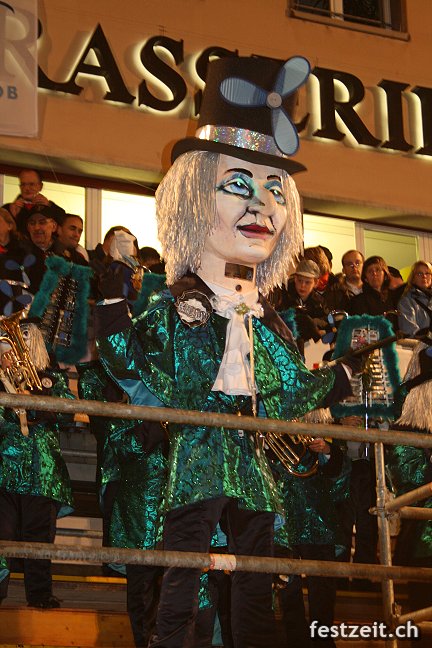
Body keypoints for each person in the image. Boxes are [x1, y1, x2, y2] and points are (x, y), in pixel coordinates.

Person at [95, 54, 358, 648]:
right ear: (193, 198)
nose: (261, 206)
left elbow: (289, 391)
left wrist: (342, 377)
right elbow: (134, 372)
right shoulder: (177, 306)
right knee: (184, 575)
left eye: (274, 190)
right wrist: (112, 311)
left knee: (255, 578)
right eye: (238, 185)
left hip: (250, 453)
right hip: (197, 450)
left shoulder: (266, 320)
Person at [0, 277, 74, 609]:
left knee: (39, 535)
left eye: (28, 333)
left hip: (41, 469)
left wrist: (42, 404)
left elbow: (69, 415)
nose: (21, 340)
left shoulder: (51, 376)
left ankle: (40, 595)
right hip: (4, 466)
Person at [2, 169, 65, 235]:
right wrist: (11, 215)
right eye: (23, 184)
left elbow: (64, 224)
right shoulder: (8, 209)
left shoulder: (50, 207)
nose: (27, 188)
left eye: (31, 184)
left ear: (40, 186)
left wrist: (49, 206)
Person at [348, 255, 398, 328]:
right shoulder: (358, 301)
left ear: (385, 274)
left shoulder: (395, 296)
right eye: (370, 271)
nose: (374, 274)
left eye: (377, 270)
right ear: (365, 278)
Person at [397, 260, 432, 337]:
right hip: (420, 343)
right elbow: (409, 330)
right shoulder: (406, 301)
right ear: (413, 278)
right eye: (419, 274)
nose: (424, 276)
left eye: (427, 273)